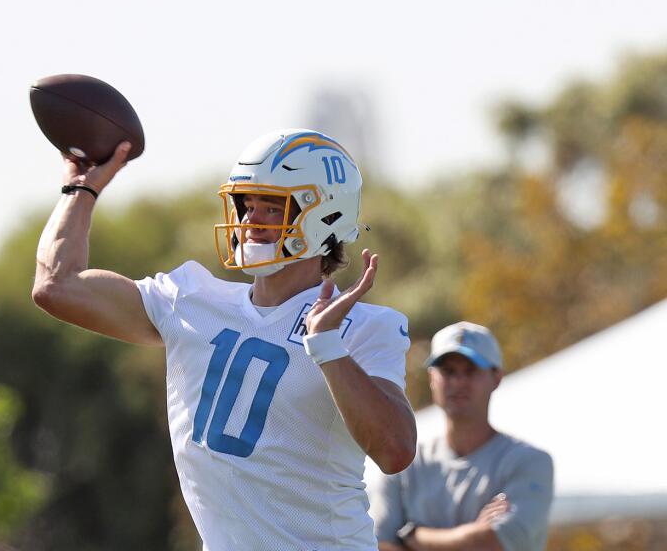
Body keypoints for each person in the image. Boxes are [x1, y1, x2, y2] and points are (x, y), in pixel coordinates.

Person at [32, 129, 417, 549]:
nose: (250, 220)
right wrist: (81, 187)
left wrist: (326, 346)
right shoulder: (192, 299)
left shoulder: (362, 325)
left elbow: (394, 451)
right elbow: (56, 286)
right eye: (246, 204)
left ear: (325, 214)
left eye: (272, 206)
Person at [367, 322, 554, 551]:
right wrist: (470, 535)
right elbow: (379, 545)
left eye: (471, 370)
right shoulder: (403, 464)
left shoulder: (529, 461)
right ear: (431, 378)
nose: (458, 382)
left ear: (496, 378)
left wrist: (414, 537)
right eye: (448, 371)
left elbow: (491, 543)